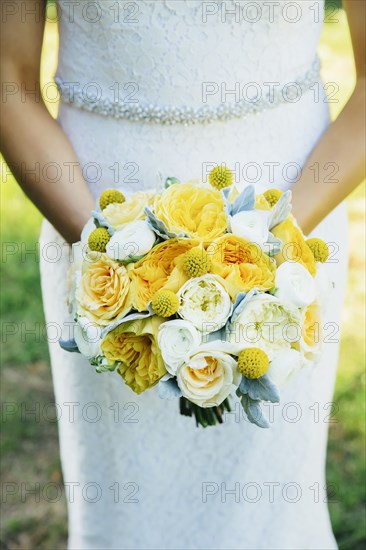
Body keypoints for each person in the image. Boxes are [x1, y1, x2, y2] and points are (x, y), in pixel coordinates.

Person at [1, 1, 364, 548]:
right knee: (126, 506)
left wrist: (269, 249)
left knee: (269, 510)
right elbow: (9, 81)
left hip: (293, 209)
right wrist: (109, 253)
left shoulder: (281, 241)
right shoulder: (102, 246)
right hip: (92, 210)